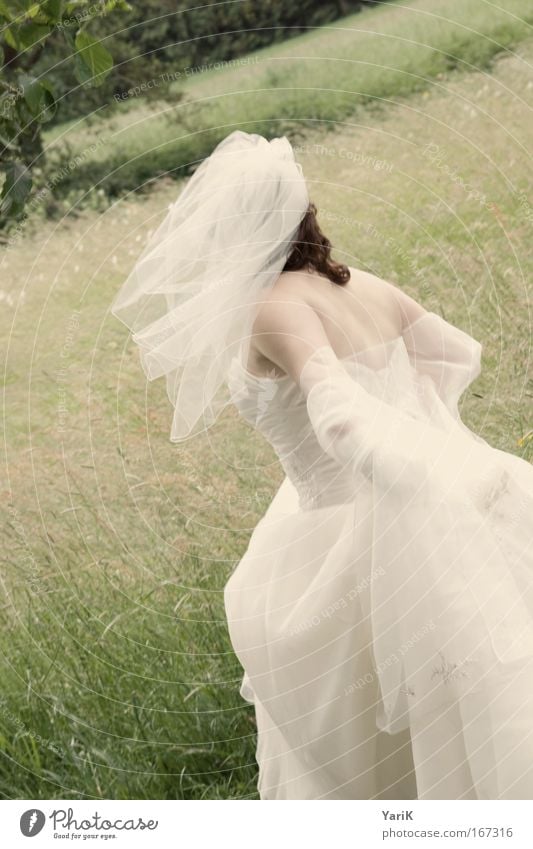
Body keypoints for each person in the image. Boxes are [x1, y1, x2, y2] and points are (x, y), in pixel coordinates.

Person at [111, 130, 533, 801]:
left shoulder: (272, 306)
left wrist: (411, 463)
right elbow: (452, 355)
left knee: (372, 753)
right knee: (449, 702)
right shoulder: (363, 284)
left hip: (346, 532)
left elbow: (333, 408)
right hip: (411, 500)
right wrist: (435, 437)